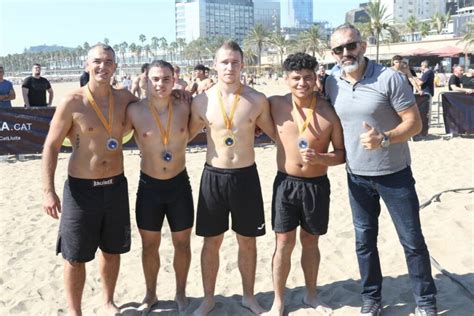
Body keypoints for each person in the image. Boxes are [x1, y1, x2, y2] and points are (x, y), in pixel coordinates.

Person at [325, 24, 437, 316]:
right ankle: (371, 298)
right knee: (364, 242)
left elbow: (415, 124)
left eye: (351, 46)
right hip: (356, 176)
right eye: (339, 49)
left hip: (394, 175)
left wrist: (384, 138)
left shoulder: (390, 79)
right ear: (333, 54)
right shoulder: (332, 82)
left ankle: (425, 300)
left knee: (411, 240)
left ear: (362, 46)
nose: (346, 53)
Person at [41, 44, 138, 315]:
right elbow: (51, 145)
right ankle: (75, 311)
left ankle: (108, 300)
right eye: (97, 61)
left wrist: (179, 93)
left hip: (116, 186)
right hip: (81, 190)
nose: (102, 66)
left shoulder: (125, 99)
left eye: (108, 61)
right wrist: (48, 191)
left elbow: (155, 106)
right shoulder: (73, 101)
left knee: (112, 250)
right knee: (75, 256)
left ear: (115, 67)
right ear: (87, 65)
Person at [188, 40, 275, 316]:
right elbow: (183, 136)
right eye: (224, 62)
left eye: (234, 62)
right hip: (213, 176)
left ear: (242, 65)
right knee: (211, 241)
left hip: (245, 177)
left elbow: (277, 133)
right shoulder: (201, 101)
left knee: (247, 241)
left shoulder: (257, 99)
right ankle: (208, 298)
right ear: (215, 65)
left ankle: (249, 296)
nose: (229, 67)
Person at [266, 53, 345, 316]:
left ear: (316, 77)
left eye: (308, 77)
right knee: (283, 243)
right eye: (296, 78)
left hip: (316, 185)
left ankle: (311, 294)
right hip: (285, 184)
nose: (302, 83)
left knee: (311, 242)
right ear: (286, 79)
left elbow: (342, 154)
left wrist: (322, 157)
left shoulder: (328, 111)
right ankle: (278, 300)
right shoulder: (275, 104)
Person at [125, 60, 193, 312]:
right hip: (149, 186)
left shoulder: (185, 106)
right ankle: (150, 294)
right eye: (155, 78)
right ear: (145, 80)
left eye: (166, 79)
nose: (160, 84)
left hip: (179, 185)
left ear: (174, 80)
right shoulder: (134, 111)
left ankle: (181, 292)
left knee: (182, 244)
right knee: (149, 245)